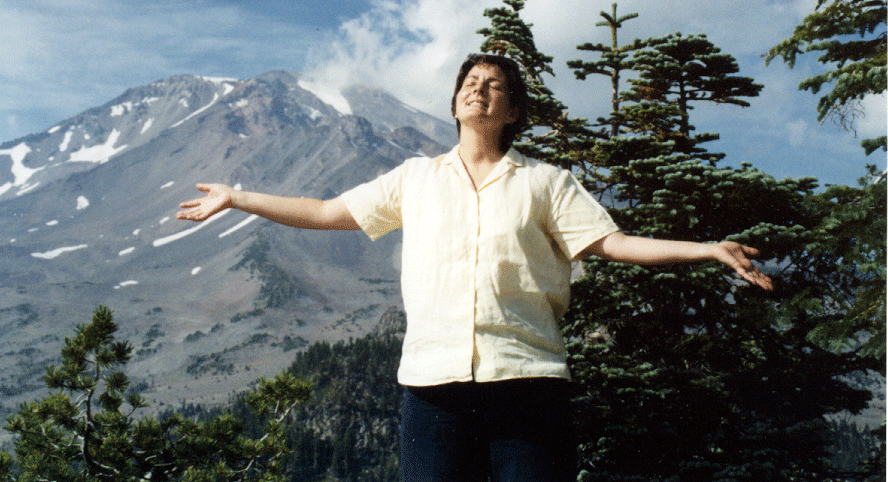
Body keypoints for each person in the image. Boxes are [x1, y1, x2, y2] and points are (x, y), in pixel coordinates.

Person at [177, 53, 773, 482]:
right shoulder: (414, 177)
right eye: (469, 81)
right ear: (456, 100)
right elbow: (328, 211)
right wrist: (238, 196)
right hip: (432, 389)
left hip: (528, 380)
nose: (478, 89)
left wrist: (707, 250)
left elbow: (612, 243)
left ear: (512, 110)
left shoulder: (545, 183)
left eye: (493, 85)